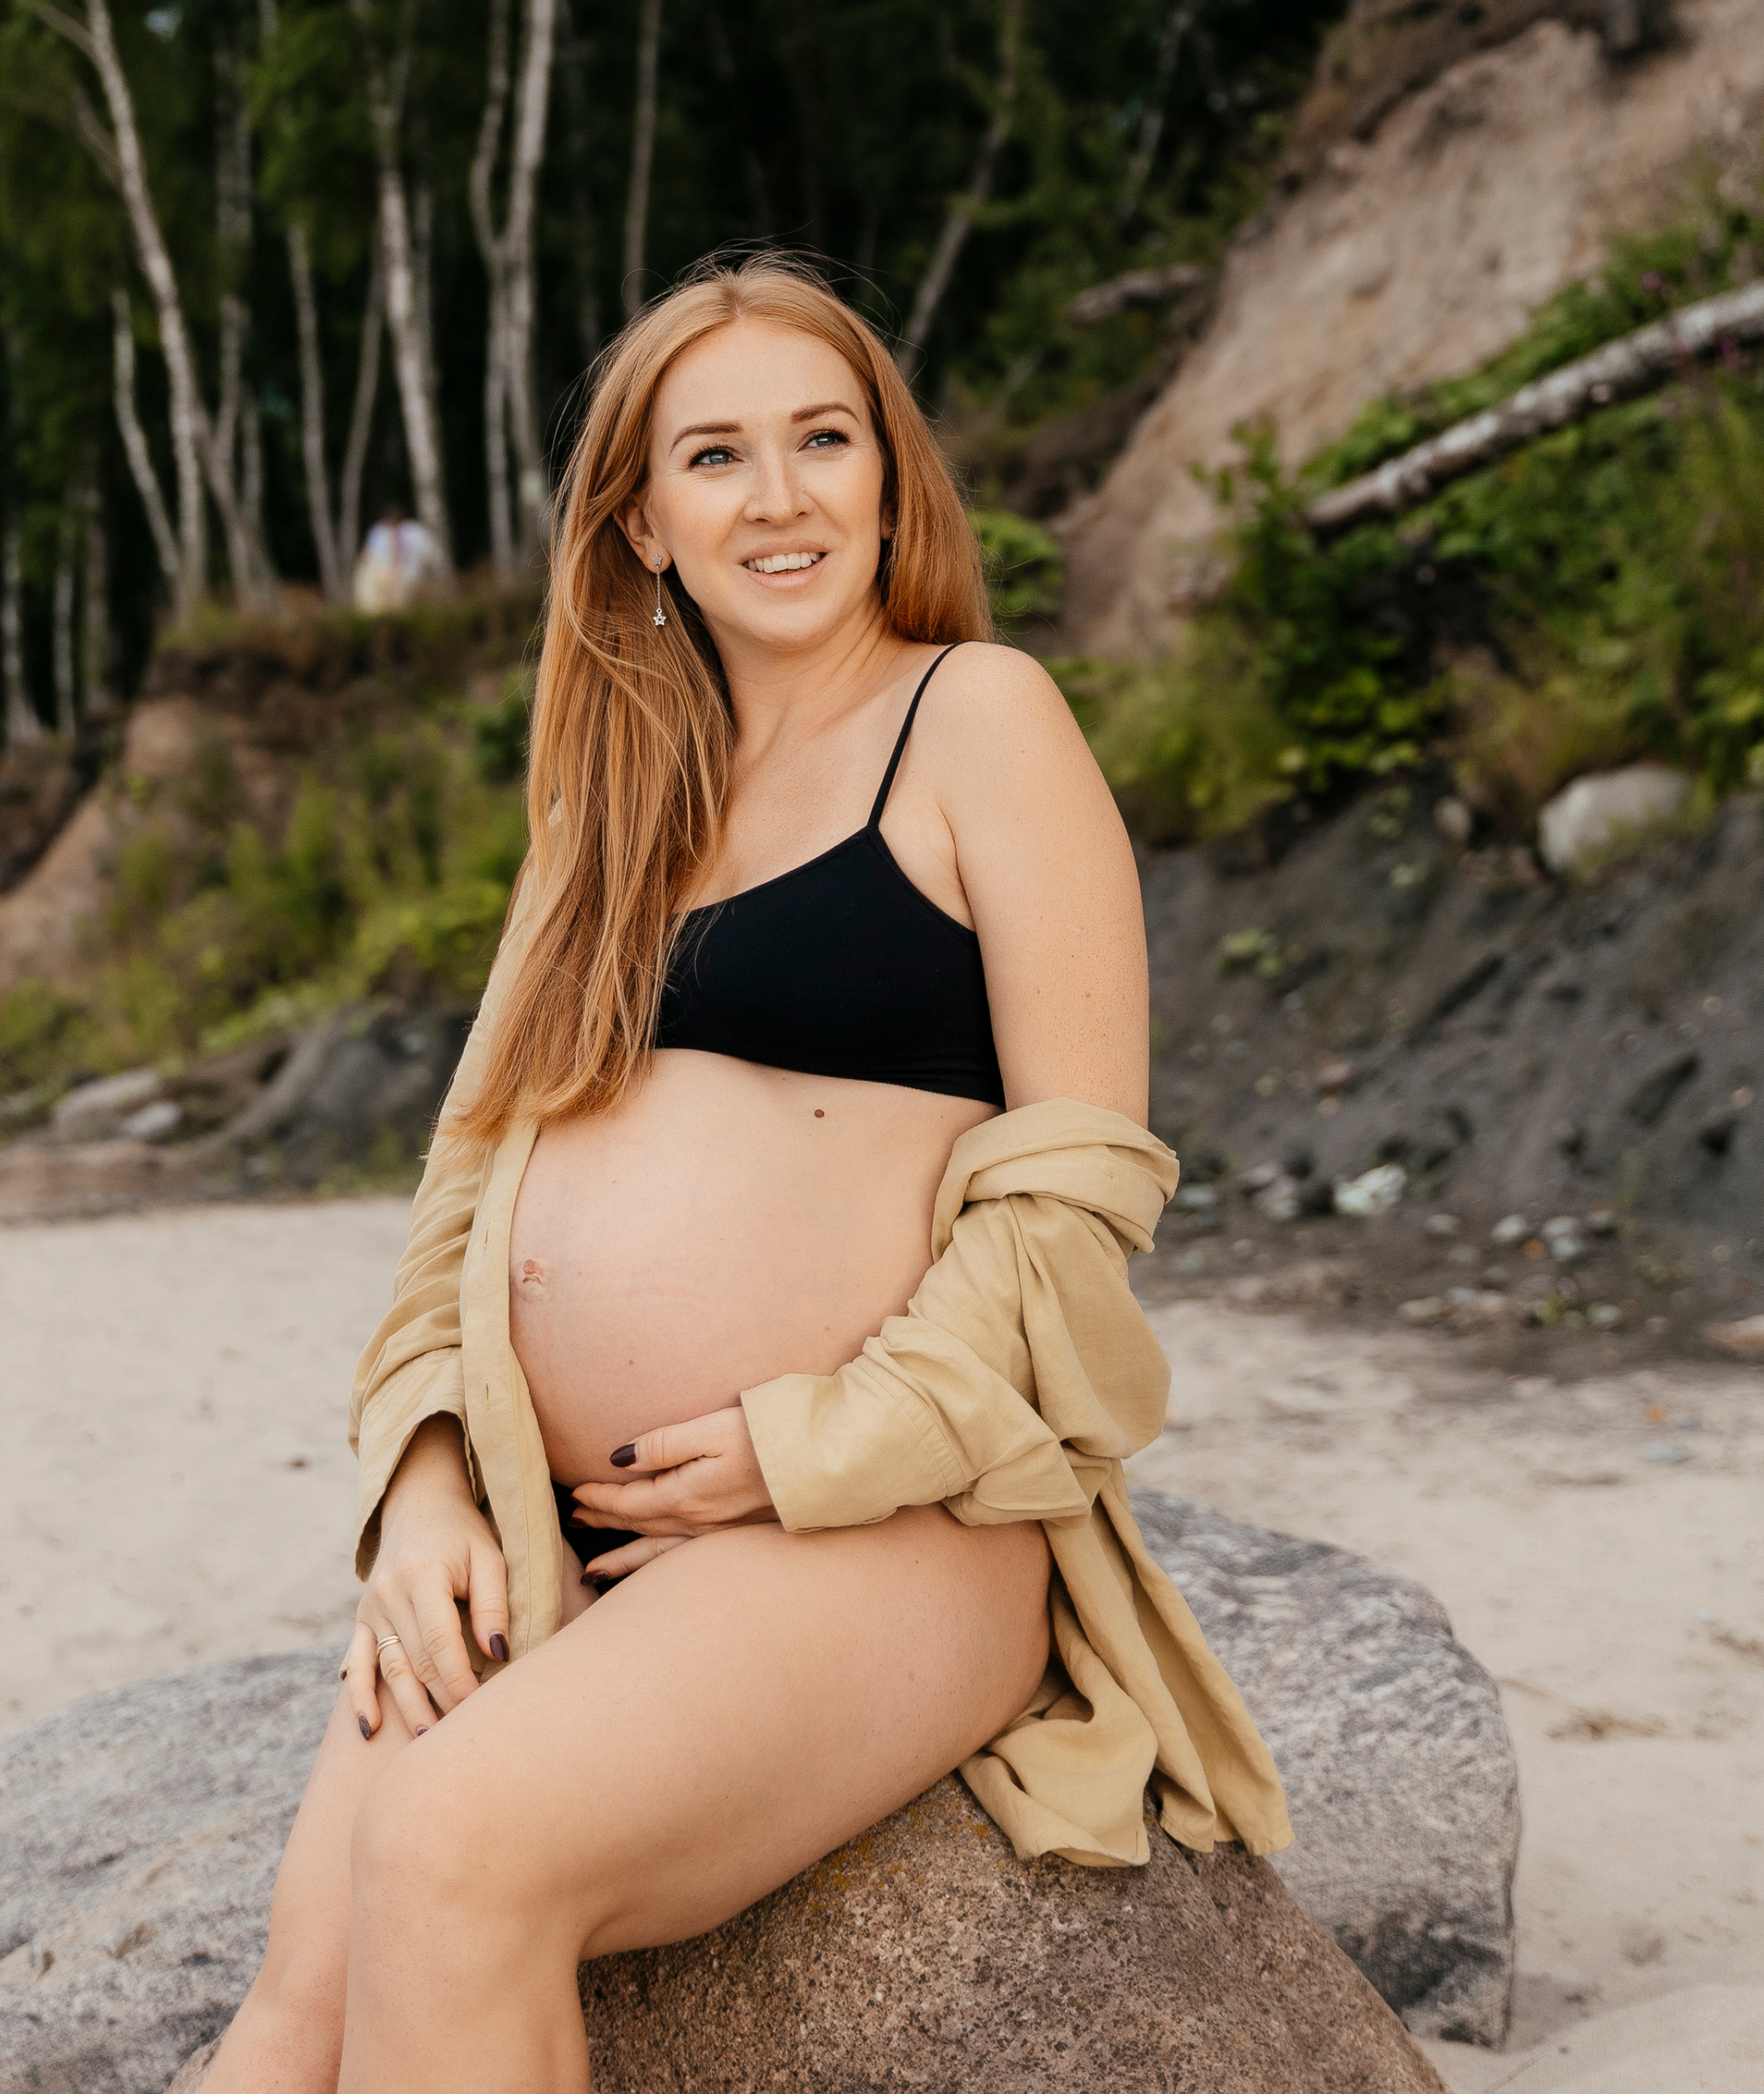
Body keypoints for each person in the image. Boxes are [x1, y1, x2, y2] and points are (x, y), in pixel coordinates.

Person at [190, 254, 1285, 2094]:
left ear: (885, 476)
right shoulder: (605, 801)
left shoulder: (977, 719)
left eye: (820, 440)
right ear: (637, 525)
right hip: (564, 1533)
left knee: (451, 1852)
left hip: (878, 1530)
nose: (778, 497)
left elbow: (1073, 1203)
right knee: (290, 2016)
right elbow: (463, 1203)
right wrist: (435, 1486)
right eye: (716, 457)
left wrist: (812, 1445)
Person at [350, 507, 442, 614]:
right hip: (379, 570)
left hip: (388, 572)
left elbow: (398, 553)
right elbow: (369, 551)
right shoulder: (380, 531)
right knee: (376, 602)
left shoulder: (398, 533)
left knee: (390, 602)